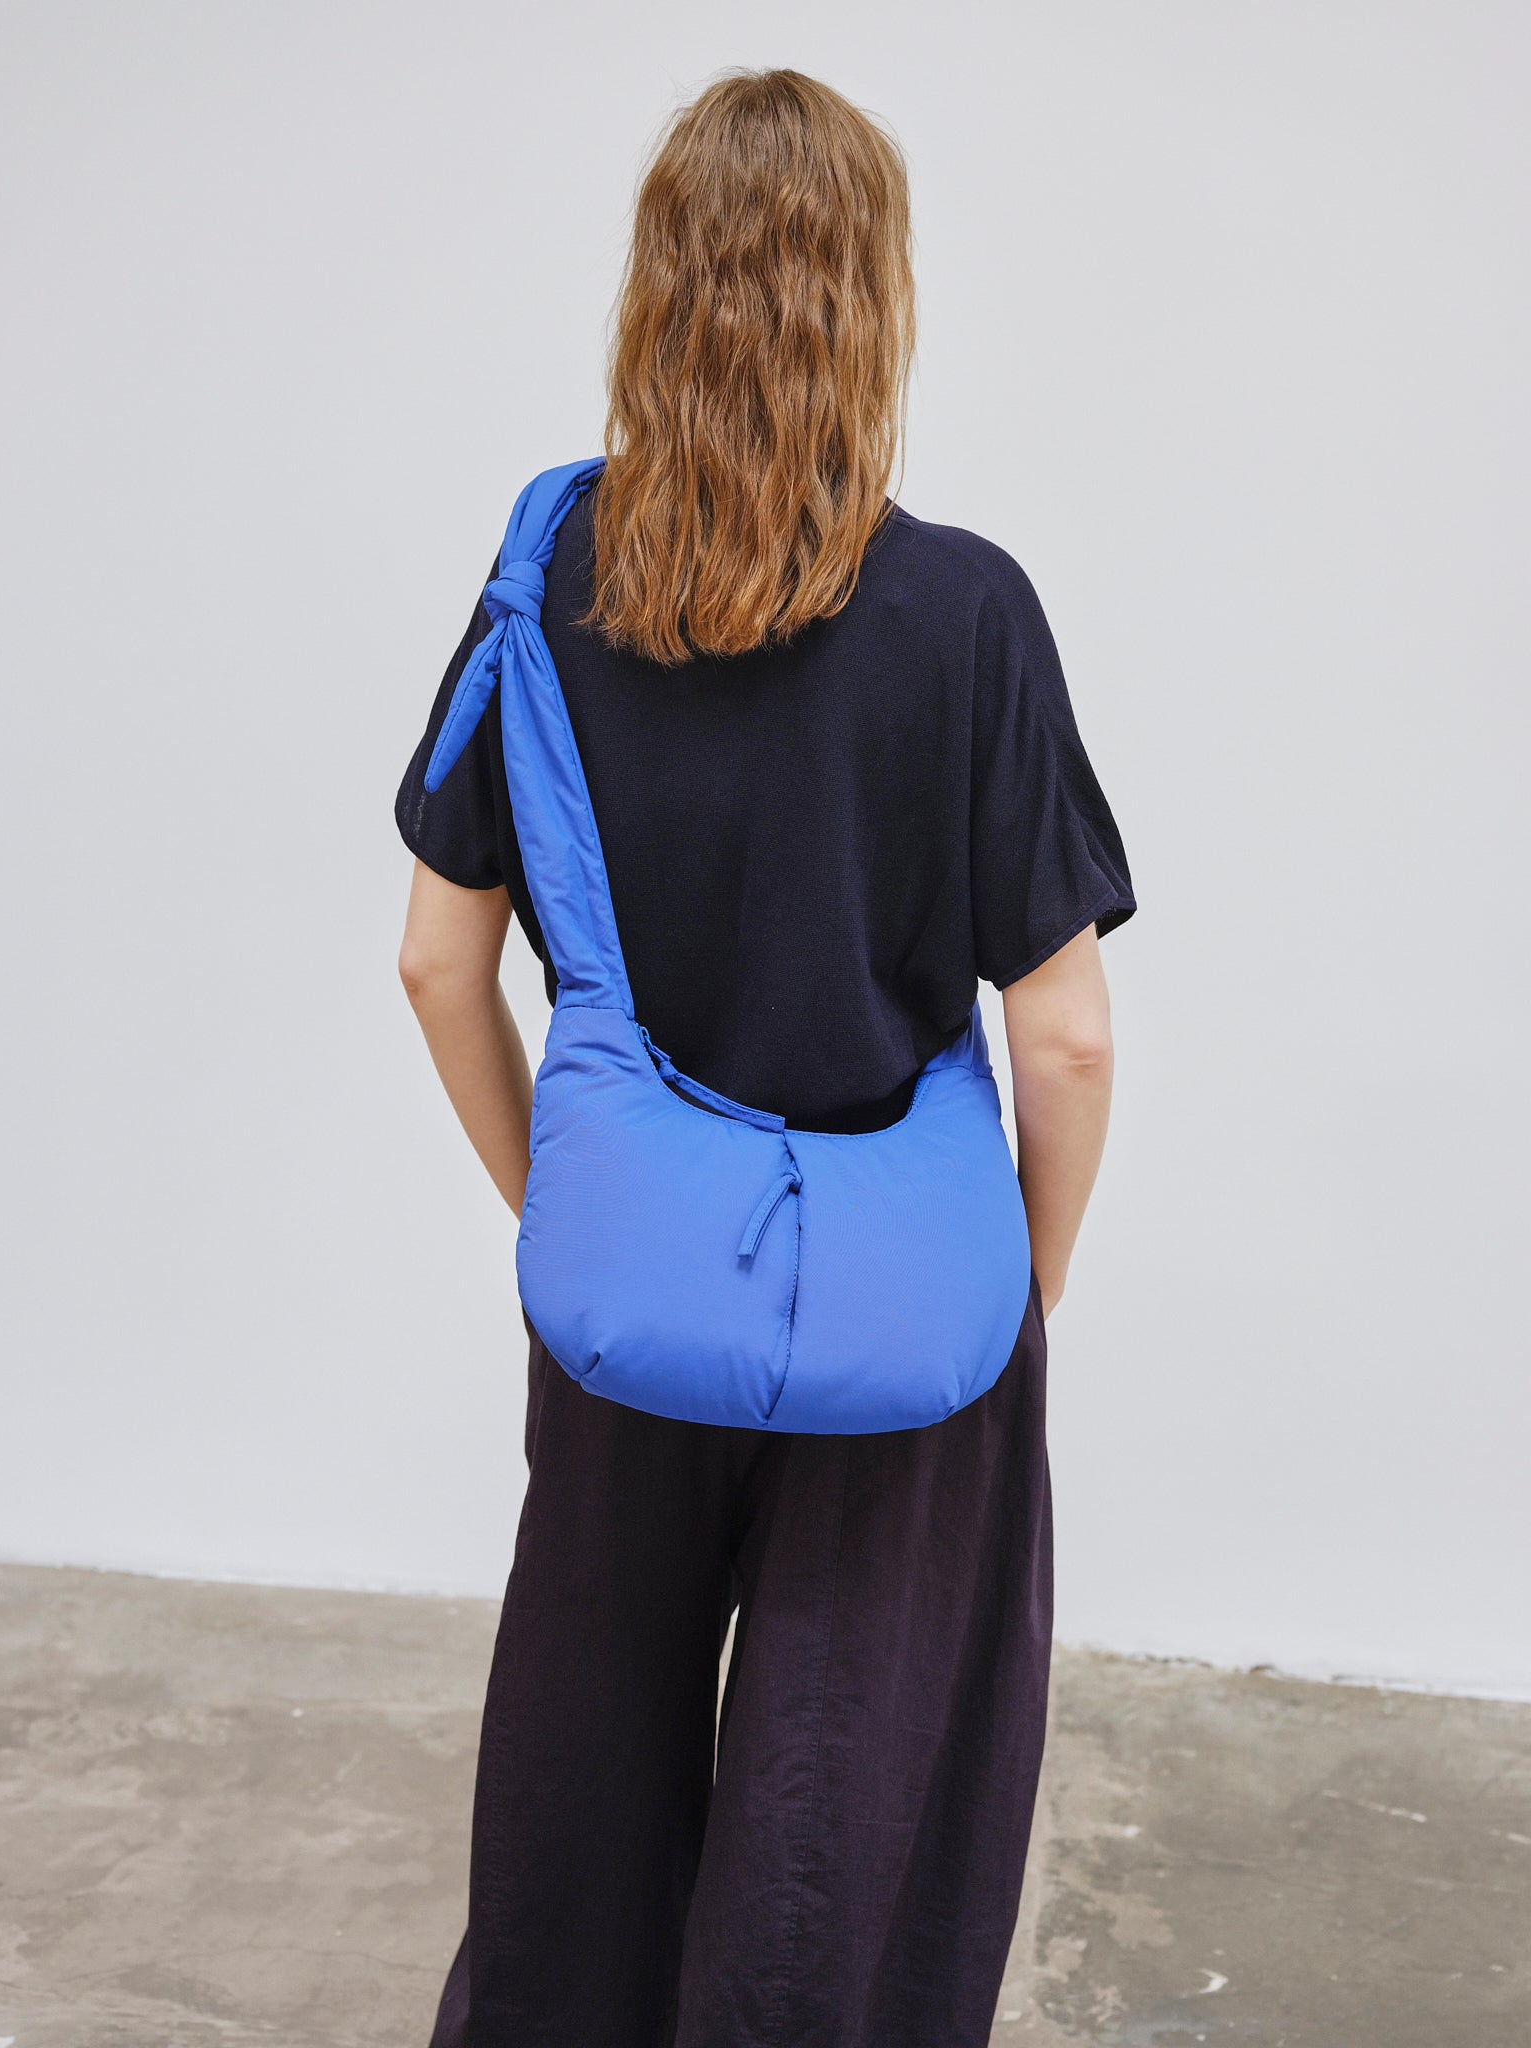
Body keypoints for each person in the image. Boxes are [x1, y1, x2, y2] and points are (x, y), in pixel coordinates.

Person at [395, 66, 1133, 2048]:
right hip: (900, 1331)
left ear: (658, 294)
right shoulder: (967, 615)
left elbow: (438, 960)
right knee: (843, 1824)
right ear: (872, 304)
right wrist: (1023, 1286)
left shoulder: (552, 580)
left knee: (583, 1778)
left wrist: (562, 1208)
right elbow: (1063, 1039)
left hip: (633, 1305)